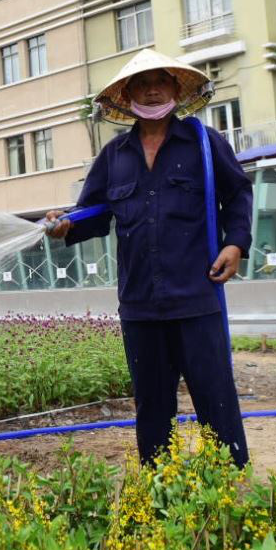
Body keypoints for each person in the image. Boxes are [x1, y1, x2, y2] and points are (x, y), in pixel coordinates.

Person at [44, 49, 252, 468]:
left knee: (217, 400)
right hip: (140, 307)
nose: (152, 88)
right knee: (153, 409)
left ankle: (232, 484)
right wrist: (65, 224)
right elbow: (92, 216)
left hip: (198, 298)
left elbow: (239, 193)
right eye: (141, 83)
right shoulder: (114, 157)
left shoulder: (206, 145)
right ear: (128, 94)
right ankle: (155, 490)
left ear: (176, 88)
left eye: (160, 80)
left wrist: (237, 243)